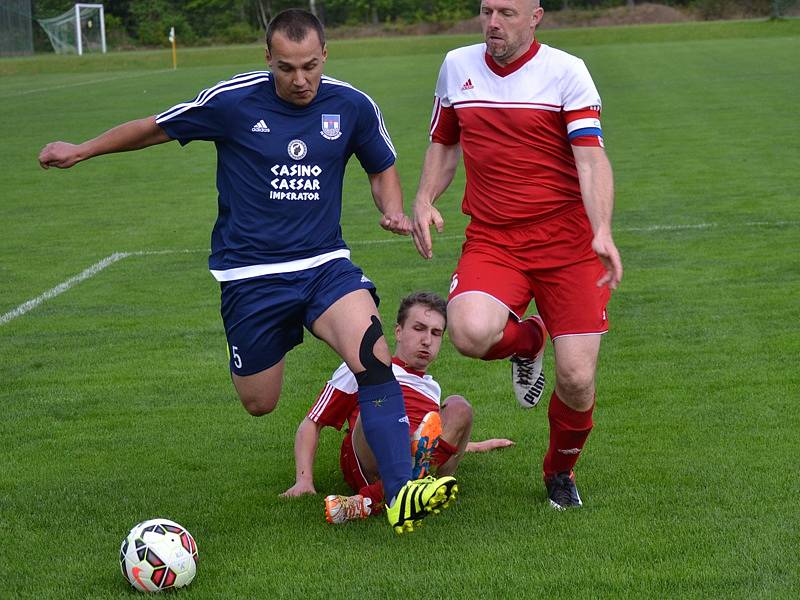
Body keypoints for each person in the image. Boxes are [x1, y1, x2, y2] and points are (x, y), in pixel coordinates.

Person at [38, 9, 457, 534]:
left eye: (309, 66)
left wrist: (392, 209)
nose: (300, 80)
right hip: (251, 276)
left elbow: (380, 166)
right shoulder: (232, 101)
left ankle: (400, 494)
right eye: (286, 68)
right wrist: (82, 150)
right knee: (260, 402)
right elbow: (154, 128)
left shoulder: (352, 105)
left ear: (325, 55)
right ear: (268, 60)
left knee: (374, 356)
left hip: (324, 265)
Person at [412, 0, 623, 510]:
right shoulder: (457, 66)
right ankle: (529, 340)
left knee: (576, 378)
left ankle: (559, 472)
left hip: (568, 244)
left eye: (507, 12)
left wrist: (602, 230)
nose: (492, 23)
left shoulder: (566, 72)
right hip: (495, 239)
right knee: (467, 332)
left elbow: (591, 160)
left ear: (536, 17)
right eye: (486, 11)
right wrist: (423, 198)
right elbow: (445, 142)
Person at [281, 291, 513, 524]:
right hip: (369, 459)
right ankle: (413, 489)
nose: (427, 341)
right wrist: (304, 479)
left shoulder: (432, 388)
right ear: (399, 332)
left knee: (459, 407)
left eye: (436, 333)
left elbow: (427, 437)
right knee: (376, 409)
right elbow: (313, 422)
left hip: (413, 457)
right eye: (419, 328)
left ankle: (373, 502)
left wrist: (476, 445)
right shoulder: (364, 367)